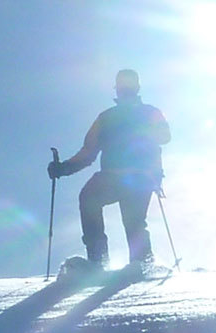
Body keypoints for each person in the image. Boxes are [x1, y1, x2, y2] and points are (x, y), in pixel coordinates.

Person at [48, 69, 171, 270]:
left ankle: (108, 260)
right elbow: (164, 137)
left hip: (130, 176)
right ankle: (135, 263)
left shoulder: (111, 117)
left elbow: (88, 153)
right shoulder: (144, 113)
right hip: (137, 177)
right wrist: (63, 169)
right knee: (129, 218)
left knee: (95, 202)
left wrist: (63, 169)